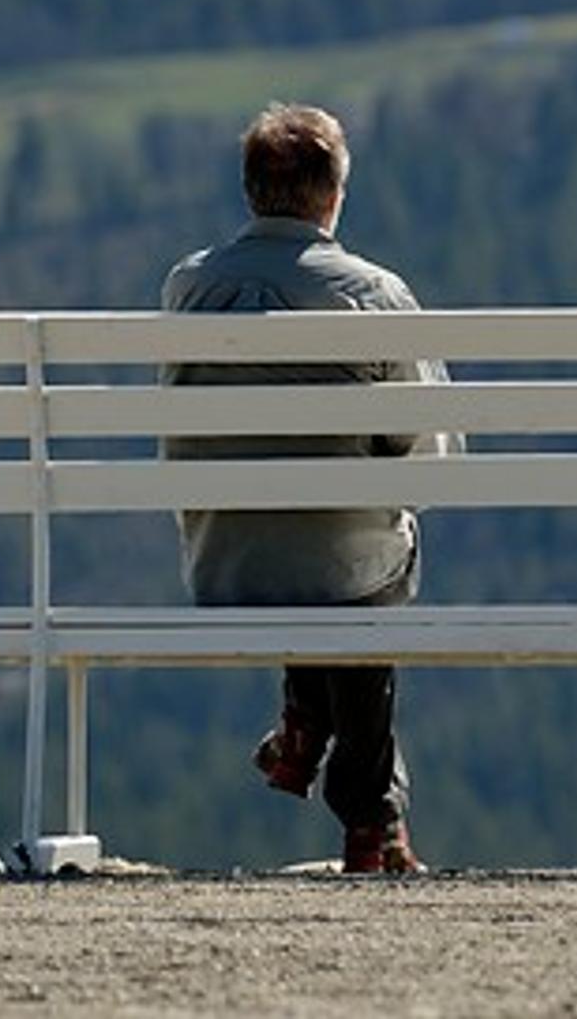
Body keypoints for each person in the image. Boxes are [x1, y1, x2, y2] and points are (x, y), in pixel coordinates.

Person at [160, 101, 446, 874]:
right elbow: (429, 457)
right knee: (364, 564)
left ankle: (305, 727)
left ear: (250, 190)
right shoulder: (375, 293)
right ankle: (372, 819)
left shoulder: (188, 286)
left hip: (225, 564)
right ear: (335, 195)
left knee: (314, 548)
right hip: (345, 571)